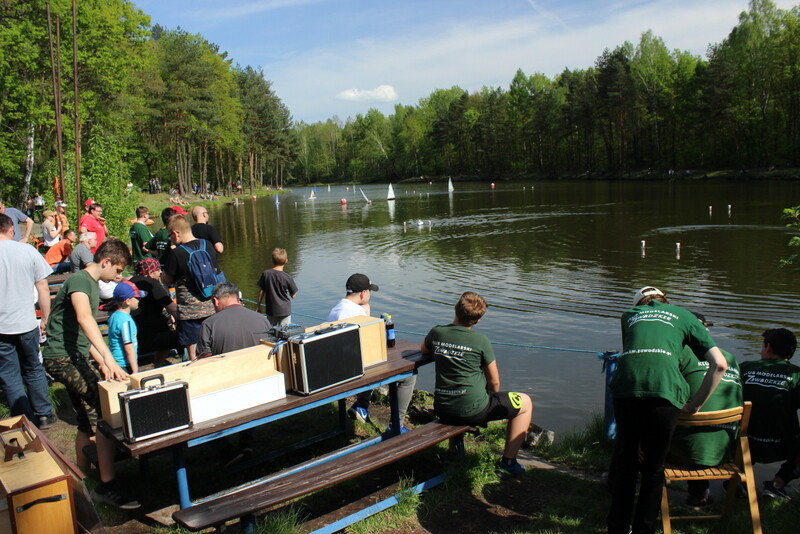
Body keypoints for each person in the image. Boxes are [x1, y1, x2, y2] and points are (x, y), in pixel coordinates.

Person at [607, 286, 727, 534]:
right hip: (665, 393)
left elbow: (635, 356)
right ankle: (644, 530)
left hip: (626, 390)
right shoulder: (685, 316)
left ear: (639, 303)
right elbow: (720, 364)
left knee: (626, 464)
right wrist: (695, 405)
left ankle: (617, 528)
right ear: (666, 300)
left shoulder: (629, 315)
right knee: (653, 469)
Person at [41, 239, 139, 509]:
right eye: (118, 270)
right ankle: (107, 485)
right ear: (105, 262)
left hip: (74, 355)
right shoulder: (81, 281)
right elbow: (85, 318)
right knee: (104, 410)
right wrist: (109, 358)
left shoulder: (90, 284)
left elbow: (84, 335)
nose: (119, 277)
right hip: (62, 357)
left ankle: (83, 481)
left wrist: (103, 362)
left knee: (87, 419)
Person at [421, 291, 533, 477]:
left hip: (443, 407)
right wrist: (492, 396)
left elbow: (423, 349)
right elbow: (495, 381)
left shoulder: (437, 332)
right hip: (473, 410)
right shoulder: (481, 341)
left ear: (455, 309)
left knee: (459, 399)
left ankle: (453, 453)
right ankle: (508, 463)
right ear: (478, 320)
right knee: (526, 403)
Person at [667, 311, 742, 506]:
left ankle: (618, 485)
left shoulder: (677, 357)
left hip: (681, 454)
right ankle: (699, 495)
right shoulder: (730, 359)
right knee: (704, 427)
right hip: (724, 454)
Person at [328, 273, 416, 433]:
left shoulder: (337, 308)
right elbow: (372, 345)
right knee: (409, 374)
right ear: (363, 293)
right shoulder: (358, 314)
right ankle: (396, 425)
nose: (370, 295)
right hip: (351, 371)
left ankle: (362, 406)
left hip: (337, 366)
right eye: (369, 291)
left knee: (369, 360)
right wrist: (367, 316)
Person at [0, 213, 58, 428]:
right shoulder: (27, 251)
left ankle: (24, 418)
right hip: (25, 322)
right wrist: (45, 317)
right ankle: (44, 413)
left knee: (9, 374)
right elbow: (43, 287)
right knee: (33, 367)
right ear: (11, 229)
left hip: (1, 327)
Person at [740, 328, 800, 500]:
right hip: (783, 444)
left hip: (744, 442)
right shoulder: (796, 375)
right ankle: (778, 484)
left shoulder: (745, 368)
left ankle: (738, 478)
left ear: (768, 348)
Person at [161, 214, 218, 361]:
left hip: (189, 310)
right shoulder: (208, 245)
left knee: (193, 355)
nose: (171, 239)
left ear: (176, 233)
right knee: (213, 346)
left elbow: (167, 279)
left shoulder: (177, 253)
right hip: (211, 305)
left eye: (170, 236)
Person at [197, 281, 271, 357]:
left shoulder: (208, 324)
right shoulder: (263, 319)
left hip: (225, 368)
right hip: (259, 367)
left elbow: (204, 359)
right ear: (238, 298)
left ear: (216, 301)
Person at [130, 258, 179, 367]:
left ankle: (159, 364)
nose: (161, 272)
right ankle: (188, 360)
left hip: (133, 338)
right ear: (150, 273)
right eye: (158, 269)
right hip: (150, 339)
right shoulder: (152, 284)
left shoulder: (129, 283)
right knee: (185, 335)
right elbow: (172, 309)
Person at [107, 281, 144, 374]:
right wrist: (135, 370)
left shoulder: (114, 316)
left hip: (117, 363)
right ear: (128, 301)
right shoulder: (125, 321)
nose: (139, 300)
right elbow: (129, 348)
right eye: (137, 298)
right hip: (125, 365)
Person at [256, 248, 298, 327]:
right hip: (285, 311)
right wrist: (294, 294)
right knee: (284, 333)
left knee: (271, 332)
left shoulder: (266, 274)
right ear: (286, 261)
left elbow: (262, 291)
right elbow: (293, 295)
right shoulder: (287, 277)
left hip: (271, 310)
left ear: (272, 261)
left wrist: (258, 306)